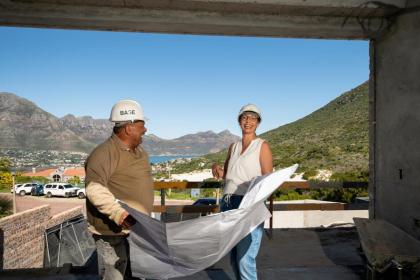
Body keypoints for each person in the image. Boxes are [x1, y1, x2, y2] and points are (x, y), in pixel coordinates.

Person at [85, 100, 154, 280]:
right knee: (115, 275)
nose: (145, 130)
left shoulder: (140, 152)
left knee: (135, 273)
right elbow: (94, 189)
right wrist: (119, 214)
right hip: (112, 232)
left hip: (136, 229)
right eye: (141, 125)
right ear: (129, 128)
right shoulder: (104, 153)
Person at [212, 103, 273, 280]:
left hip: (248, 204)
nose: (248, 121)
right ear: (239, 121)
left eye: (253, 118)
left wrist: (252, 204)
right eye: (245, 117)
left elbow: (268, 181)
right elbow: (228, 176)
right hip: (228, 203)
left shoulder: (262, 146)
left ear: (258, 123)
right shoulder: (233, 147)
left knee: (245, 258)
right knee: (233, 255)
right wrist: (216, 168)